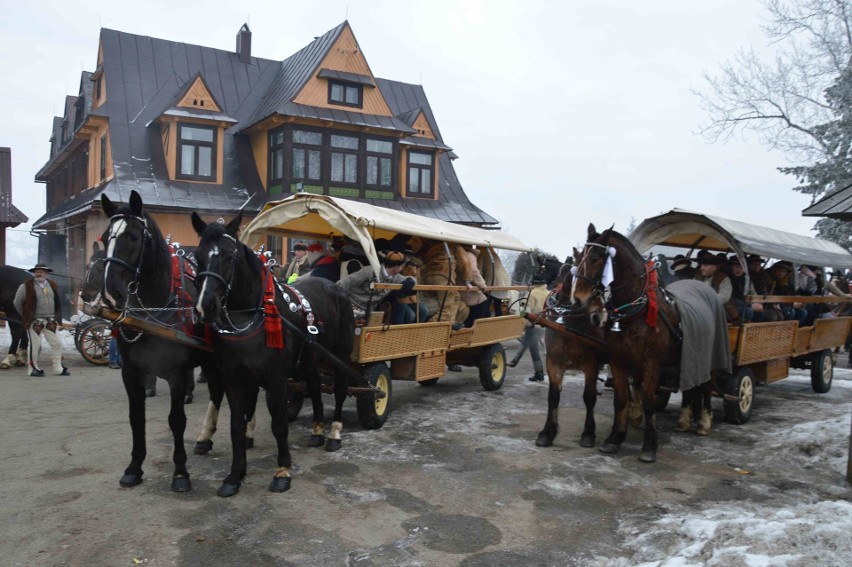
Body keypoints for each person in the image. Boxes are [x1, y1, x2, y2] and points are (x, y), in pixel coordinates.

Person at [337, 249, 425, 324]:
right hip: (350, 309)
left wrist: (410, 281)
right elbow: (343, 283)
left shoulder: (395, 277)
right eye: (401, 266)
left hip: (368, 314)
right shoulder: (369, 271)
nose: (402, 269)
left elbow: (411, 279)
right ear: (396, 266)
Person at [13, 262, 69, 377]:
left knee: (57, 343)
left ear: (46, 273)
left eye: (42, 272)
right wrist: (26, 315)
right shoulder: (26, 285)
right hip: (35, 321)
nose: (39, 274)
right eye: (37, 272)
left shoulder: (52, 284)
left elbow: (57, 300)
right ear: (34, 273)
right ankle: (32, 368)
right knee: (35, 345)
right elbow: (17, 302)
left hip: (50, 321)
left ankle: (57, 368)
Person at [507, 272, 549, 381]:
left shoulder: (532, 293)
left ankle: (517, 362)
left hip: (533, 324)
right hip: (546, 324)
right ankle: (516, 361)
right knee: (530, 344)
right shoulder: (549, 293)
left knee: (531, 346)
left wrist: (524, 322)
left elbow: (523, 309)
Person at [693, 253, 739, 322]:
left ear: (714, 267)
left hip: (720, 310)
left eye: (705, 265)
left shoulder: (723, 278)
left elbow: (724, 297)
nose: (701, 268)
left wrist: (705, 302)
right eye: (701, 265)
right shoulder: (697, 276)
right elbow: (692, 290)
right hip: (699, 307)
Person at [460, 246, 489, 327]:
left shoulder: (457, 253)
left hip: (460, 289)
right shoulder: (469, 255)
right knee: (483, 302)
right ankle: (472, 333)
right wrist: (482, 284)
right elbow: (473, 271)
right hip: (467, 292)